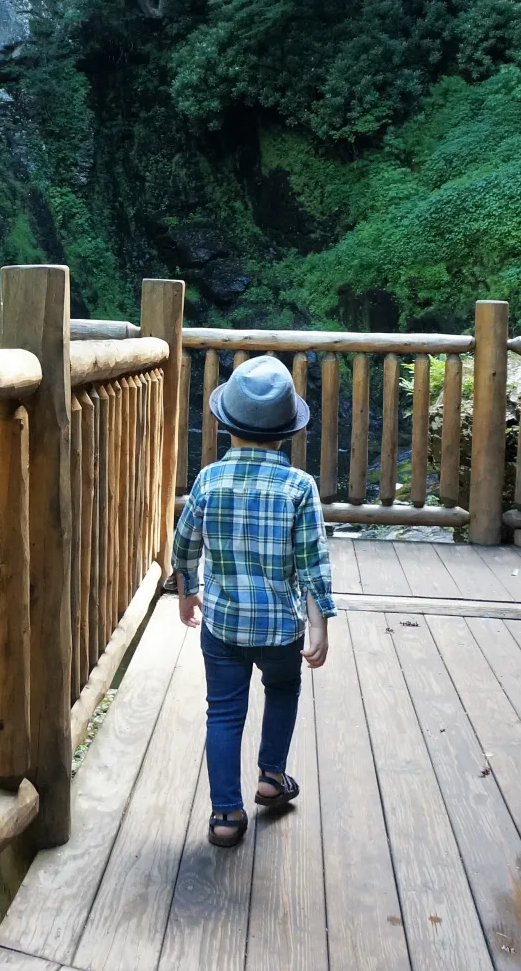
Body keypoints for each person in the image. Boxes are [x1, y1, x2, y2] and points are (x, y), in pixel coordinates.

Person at [171, 353, 335, 848]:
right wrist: (320, 620)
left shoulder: (209, 480)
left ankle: (225, 814)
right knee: (282, 691)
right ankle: (271, 776)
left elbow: (185, 544)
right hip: (281, 629)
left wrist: (187, 589)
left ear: (227, 427)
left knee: (222, 712)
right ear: (286, 432)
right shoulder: (299, 487)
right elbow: (312, 561)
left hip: (221, 625)